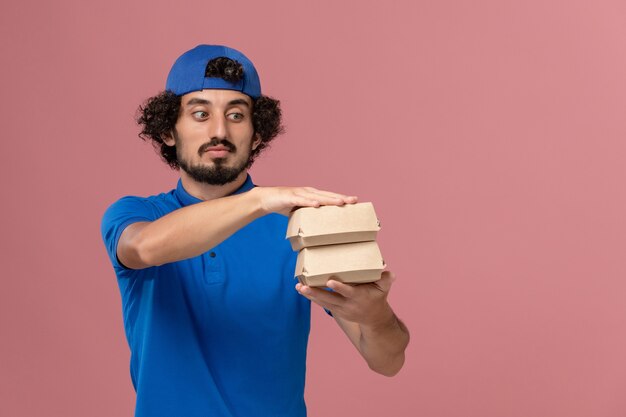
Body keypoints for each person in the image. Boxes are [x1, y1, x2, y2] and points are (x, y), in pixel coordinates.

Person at [101, 44, 409, 417]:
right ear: (169, 131)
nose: (219, 131)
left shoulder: (298, 228)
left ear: (257, 133)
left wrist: (377, 316)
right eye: (200, 114)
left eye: (236, 115)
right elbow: (145, 249)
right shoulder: (136, 214)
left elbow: (387, 361)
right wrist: (259, 201)